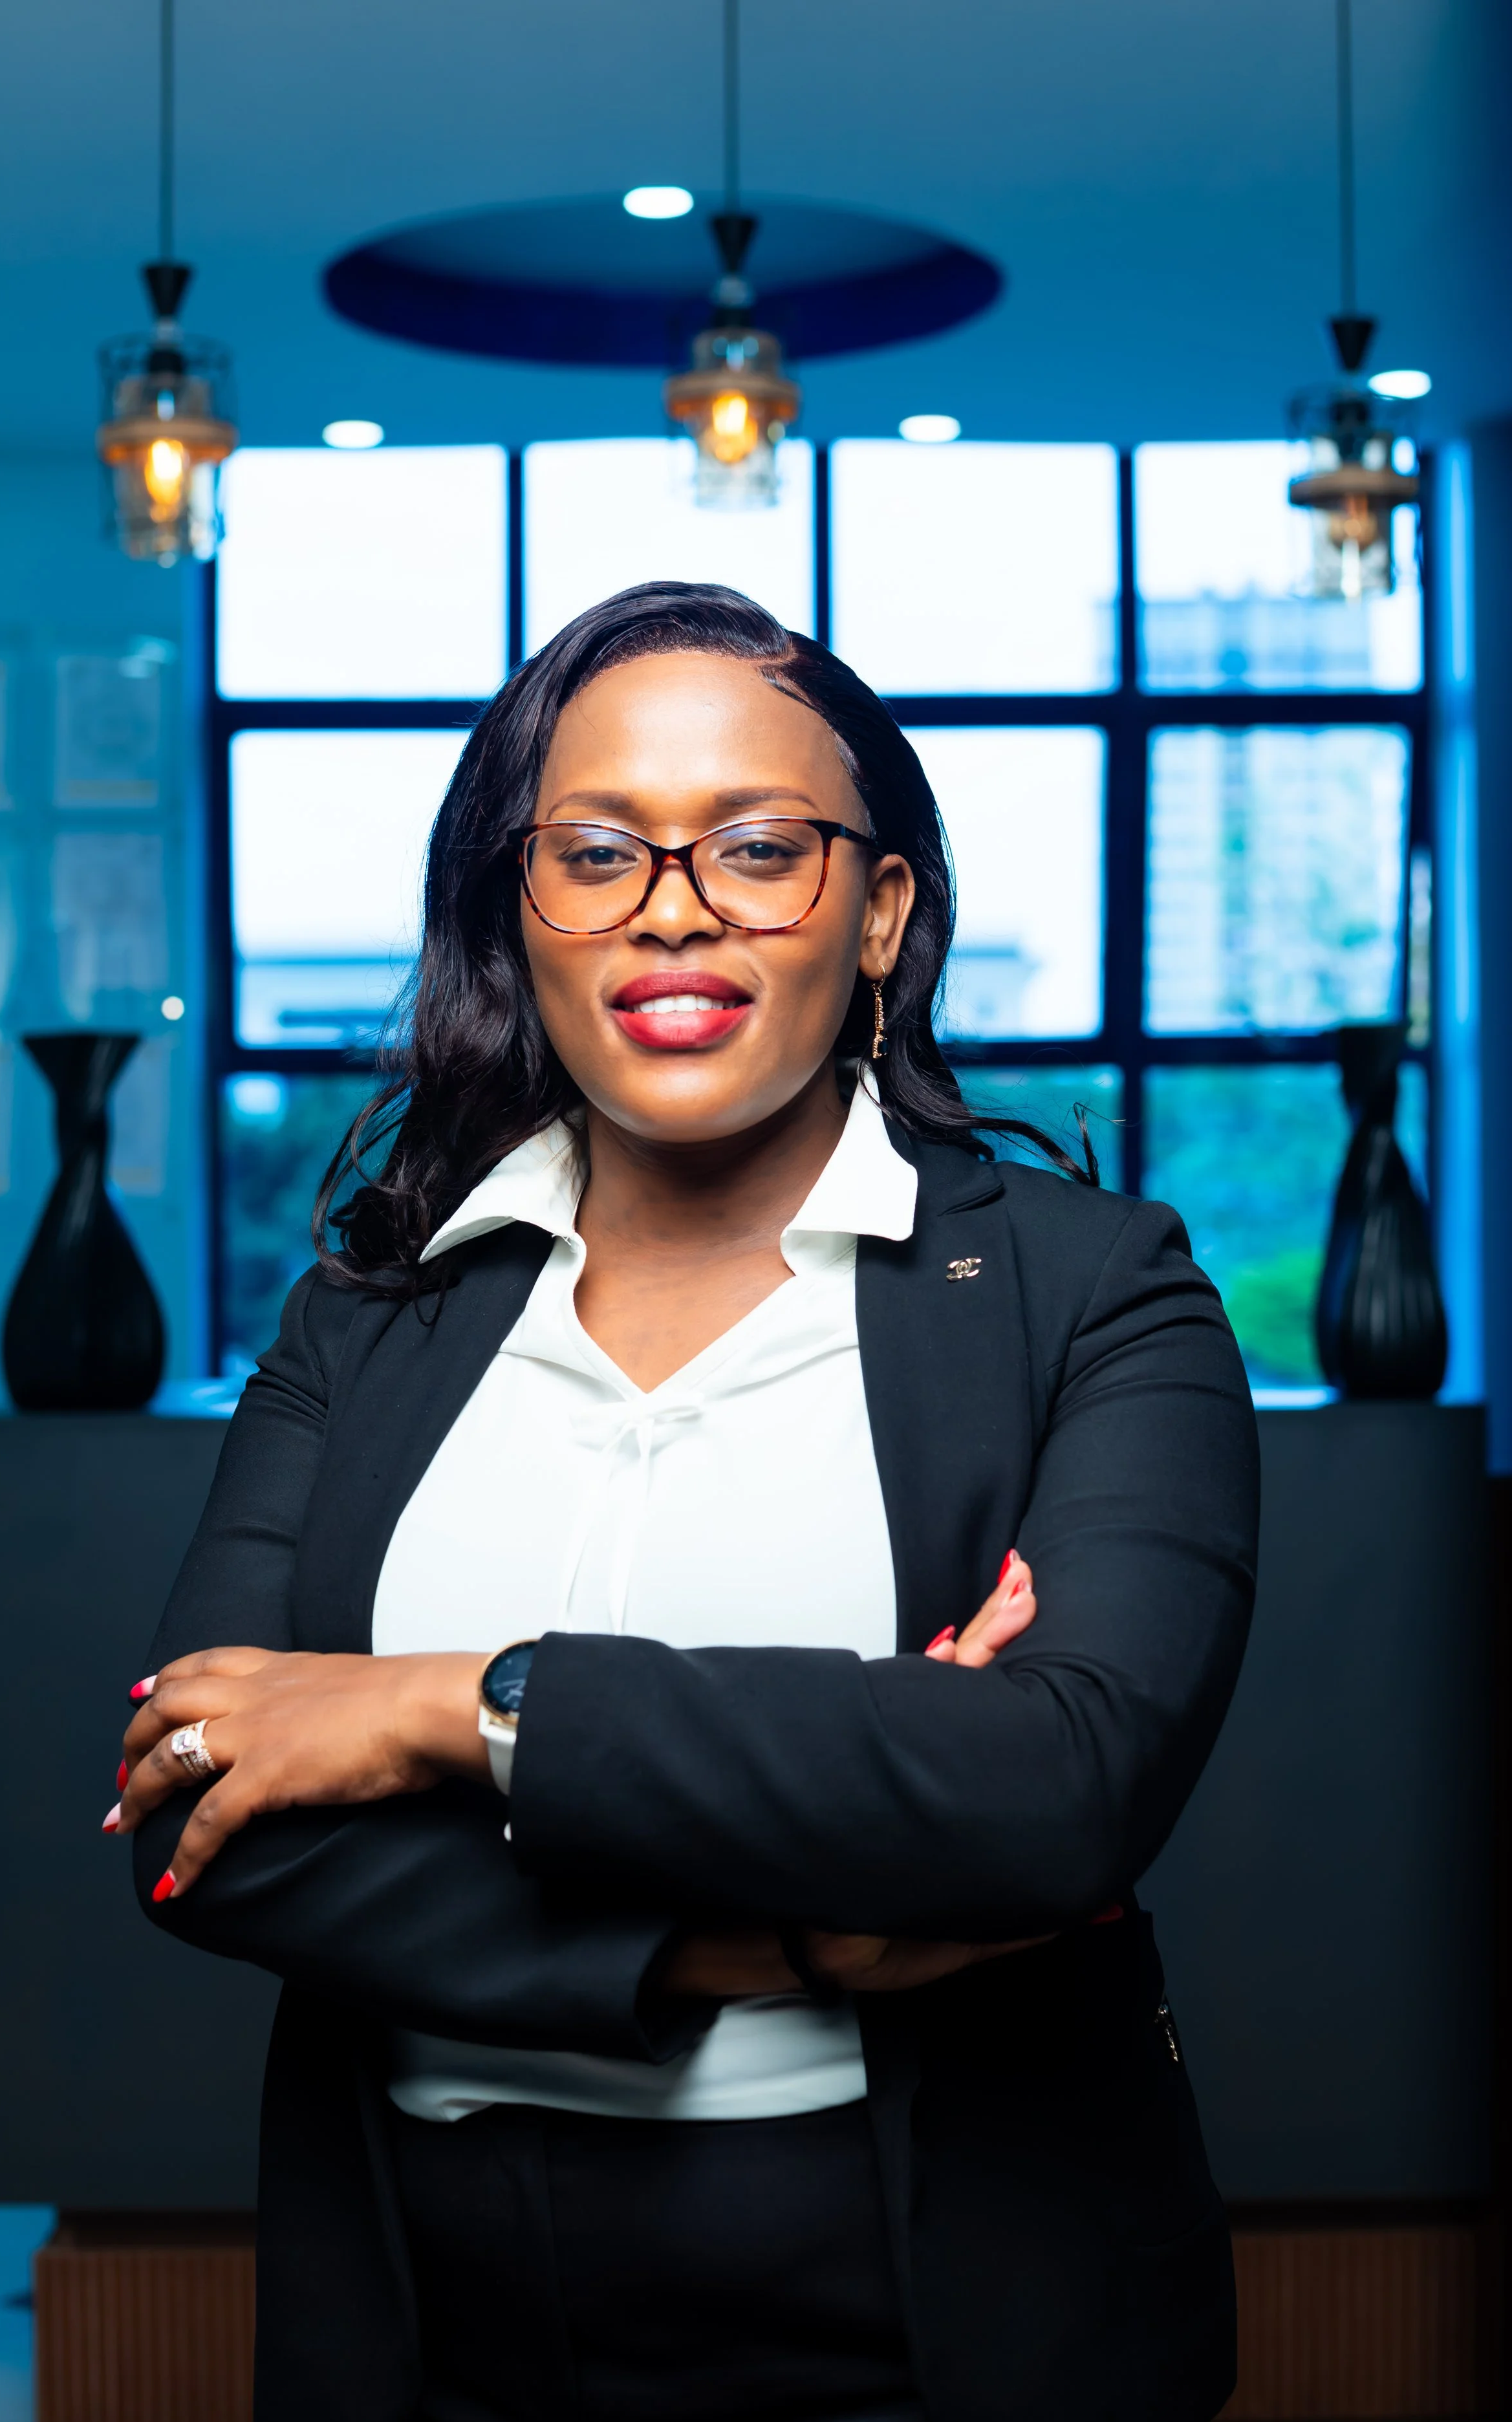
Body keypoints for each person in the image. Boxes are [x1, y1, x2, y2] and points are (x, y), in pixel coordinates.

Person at [111, 582, 1258, 2422]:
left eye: (759, 846)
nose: (671, 905)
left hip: (940, 2328)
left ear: (881, 911)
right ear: (519, 917)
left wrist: (442, 1710)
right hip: (430, 2332)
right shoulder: (368, 1318)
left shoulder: (1090, 1294)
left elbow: (1054, 1790)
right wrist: (767, 1936)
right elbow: (200, 1812)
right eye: (594, 852)